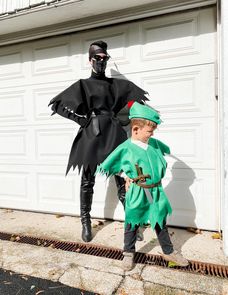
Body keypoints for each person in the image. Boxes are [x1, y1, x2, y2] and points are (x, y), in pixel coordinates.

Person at [48, 41, 148, 242]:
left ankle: (132, 223)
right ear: (90, 60)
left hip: (113, 133)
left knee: (121, 179)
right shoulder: (83, 85)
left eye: (105, 58)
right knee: (87, 181)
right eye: (97, 58)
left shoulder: (116, 85)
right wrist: (81, 119)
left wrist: (125, 119)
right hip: (91, 135)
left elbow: (135, 101)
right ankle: (85, 222)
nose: (101, 62)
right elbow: (57, 105)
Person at [96, 101, 189, 270]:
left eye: (153, 131)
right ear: (136, 130)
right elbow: (112, 166)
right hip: (138, 191)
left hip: (156, 190)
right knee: (132, 222)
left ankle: (168, 251)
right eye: (149, 131)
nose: (151, 135)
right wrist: (127, 176)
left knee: (160, 220)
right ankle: (128, 253)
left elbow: (165, 148)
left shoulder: (153, 144)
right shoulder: (126, 148)